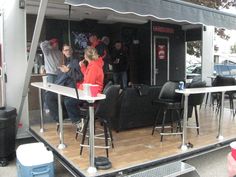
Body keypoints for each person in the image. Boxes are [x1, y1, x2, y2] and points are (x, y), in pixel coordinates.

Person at [45, 44, 84, 129]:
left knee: (50, 97)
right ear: (62, 52)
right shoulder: (64, 62)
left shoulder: (75, 62)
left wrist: (68, 71)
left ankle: (69, 119)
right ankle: (60, 118)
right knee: (48, 96)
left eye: (69, 50)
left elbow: (79, 77)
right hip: (62, 89)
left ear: (72, 51)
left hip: (71, 90)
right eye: (66, 50)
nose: (68, 52)